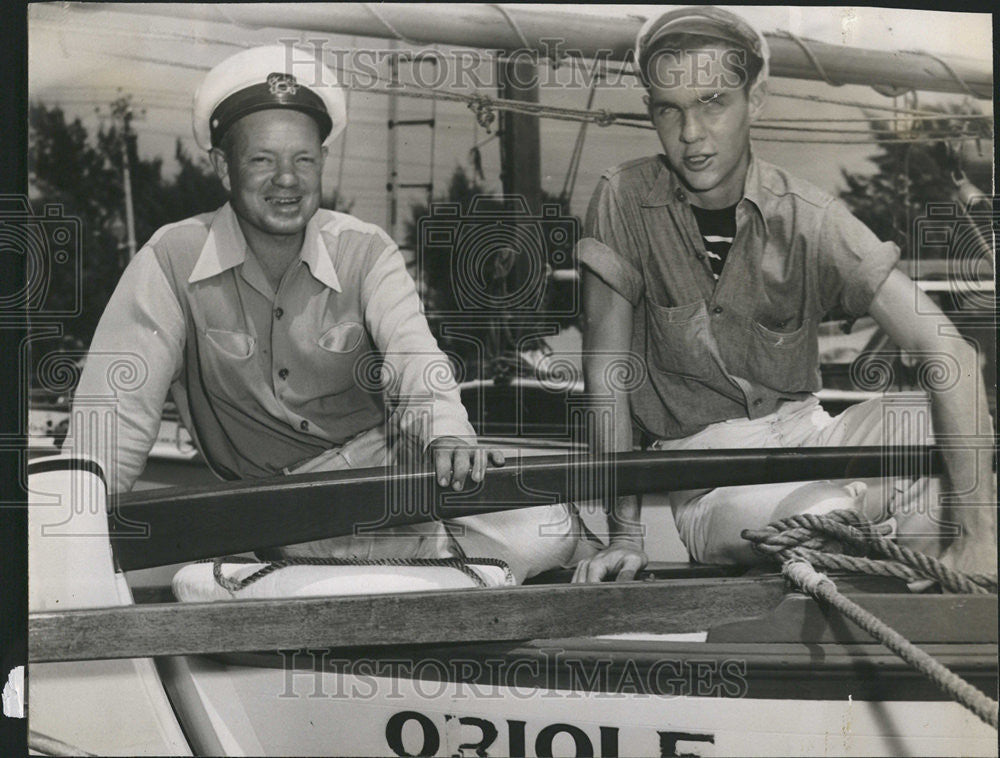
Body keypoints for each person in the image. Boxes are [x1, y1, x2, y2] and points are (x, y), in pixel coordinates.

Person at [64, 44, 590, 582]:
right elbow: (114, 417)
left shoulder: (366, 249)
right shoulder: (169, 260)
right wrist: (72, 541)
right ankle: (443, 573)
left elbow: (414, 357)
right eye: (262, 159)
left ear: (322, 163)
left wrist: (447, 436)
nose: (286, 179)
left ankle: (436, 568)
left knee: (540, 525)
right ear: (223, 167)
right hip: (283, 508)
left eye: (303, 159)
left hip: (393, 474)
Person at [574, 6, 996, 582]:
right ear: (651, 111)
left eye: (713, 102)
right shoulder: (622, 199)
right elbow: (608, 376)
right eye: (669, 110)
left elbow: (949, 352)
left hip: (811, 435)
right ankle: (896, 540)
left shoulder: (808, 214)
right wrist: (623, 534)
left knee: (934, 421)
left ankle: (947, 578)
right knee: (816, 514)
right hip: (710, 484)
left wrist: (979, 535)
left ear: (757, 99)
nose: (691, 133)